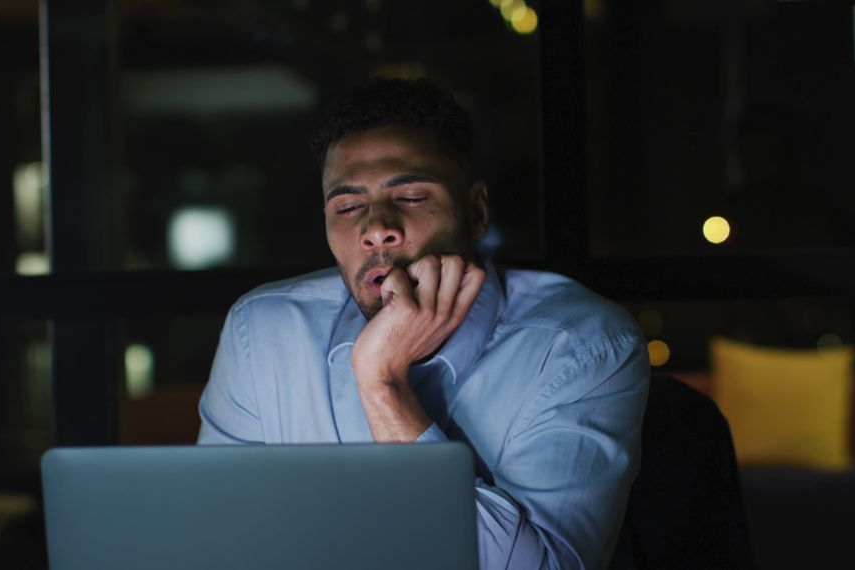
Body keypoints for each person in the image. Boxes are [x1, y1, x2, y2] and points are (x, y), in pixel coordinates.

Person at [197, 77, 649, 569]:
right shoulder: (261, 332)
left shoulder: (583, 346)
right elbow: (216, 541)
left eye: (411, 196)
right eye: (347, 207)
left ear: (475, 212)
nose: (375, 230)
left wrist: (382, 383)